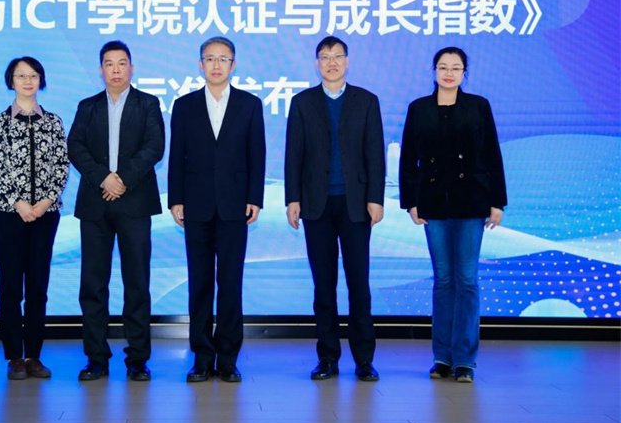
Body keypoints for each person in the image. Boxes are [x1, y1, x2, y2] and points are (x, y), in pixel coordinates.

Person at [399, 46, 507, 383]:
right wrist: (410, 201)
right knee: (443, 280)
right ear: (434, 71)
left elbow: (492, 154)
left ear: (464, 73)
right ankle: (442, 357)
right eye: (443, 67)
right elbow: (408, 158)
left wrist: (497, 202)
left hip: (472, 202)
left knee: (467, 280)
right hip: (434, 204)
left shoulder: (478, 106)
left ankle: (465, 360)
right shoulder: (419, 108)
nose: (449, 73)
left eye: (455, 67)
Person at [284, 36, 385, 382]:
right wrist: (293, 198)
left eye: (337, 56)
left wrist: (376, 198)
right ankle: (327, 357)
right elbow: (293, 154)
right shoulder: (302, 102)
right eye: (325, 57)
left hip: (356, 205)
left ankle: (364, 360)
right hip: (316, 205)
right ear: (317, 64)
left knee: (359, 284)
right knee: (324, 286)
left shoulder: (366, 101)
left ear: (347, 61)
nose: (331, 62)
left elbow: (375, 154)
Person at [168, 37, 266, 383]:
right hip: (195, 206)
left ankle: (227, 359)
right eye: (209, 58)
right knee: (199, 284)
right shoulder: (184, 105)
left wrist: (255, 197)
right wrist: (176, 198)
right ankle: (201, 358)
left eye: (223, 59)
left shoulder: (249, 104)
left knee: (230, 283)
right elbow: (176, 156)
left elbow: (257, 154)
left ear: (233, 65)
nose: (216, 65)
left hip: (235, 206)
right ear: (200, 65)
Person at [68, 40, 165, 382]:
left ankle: (137, 358)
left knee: (136, 283)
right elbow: (75, 147)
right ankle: (96, 357)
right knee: (93, 284)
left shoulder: (148, 104)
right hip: (95, 205)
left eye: (122, 63)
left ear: (131, 68)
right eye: (109, 64)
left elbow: (155, 147)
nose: (116, 70)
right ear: (101, 70)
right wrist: (103, 179)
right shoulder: (87, 106)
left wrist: (121, 179)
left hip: (134, 203)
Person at [0, 56, 69, 380]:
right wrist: (20, 204)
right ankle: (14, 357)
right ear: (11, 81)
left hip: (45, 216)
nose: (28, 81)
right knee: (10, 287)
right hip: (8, 214)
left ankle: (34, 355)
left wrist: (45, 202)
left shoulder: (54, 122)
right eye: (21, 76)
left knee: (38, 287)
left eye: (33, 75)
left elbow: (61, 166)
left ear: (41, 80)